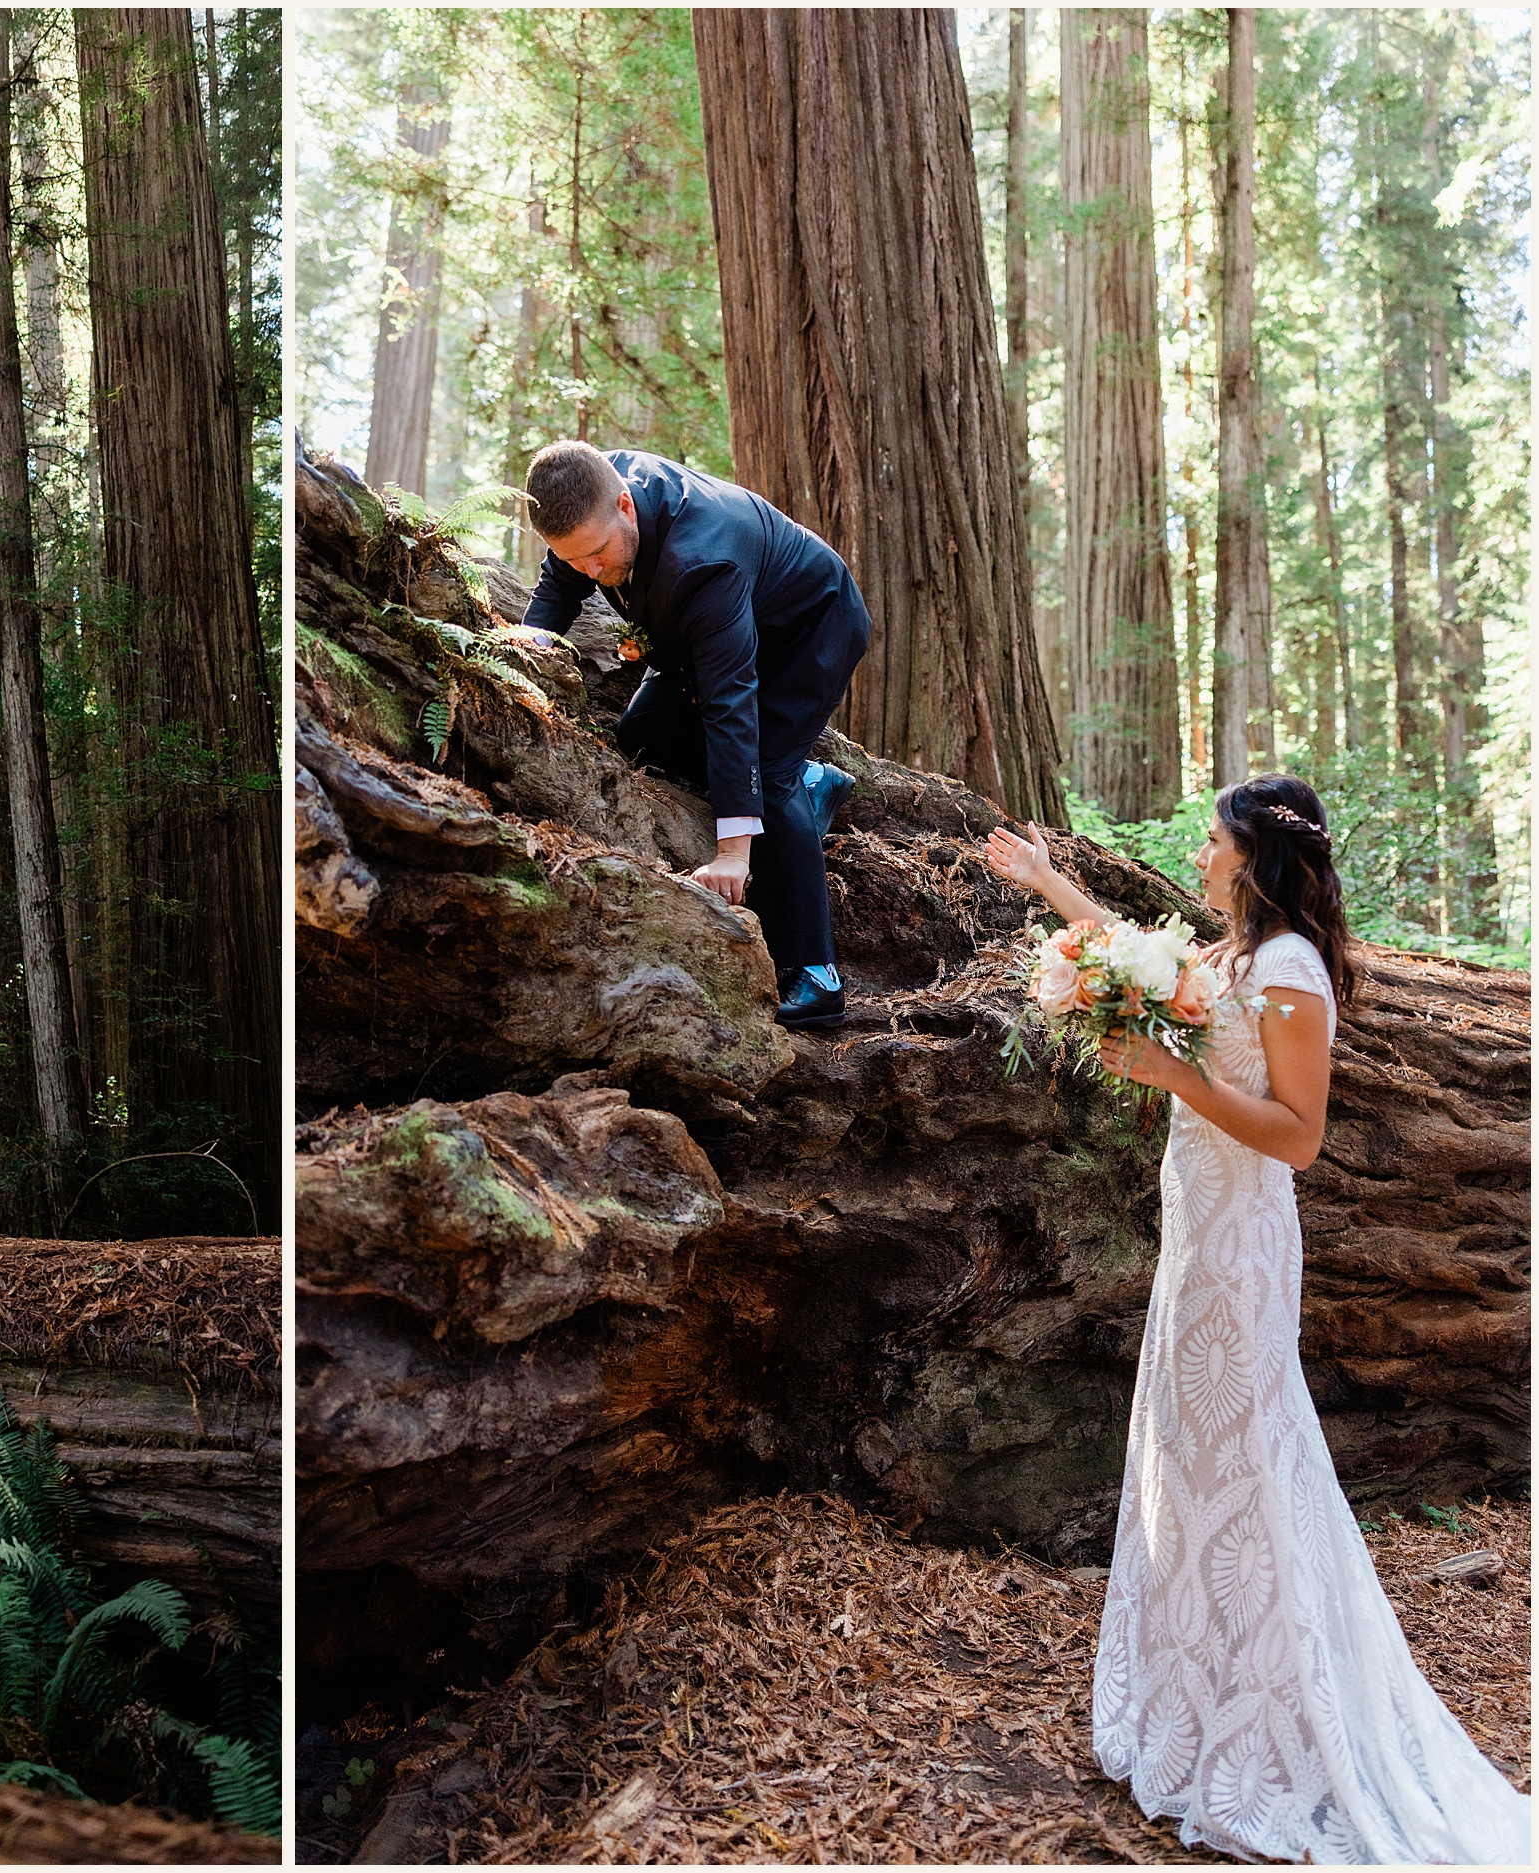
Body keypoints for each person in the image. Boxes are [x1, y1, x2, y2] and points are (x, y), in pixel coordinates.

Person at [985, 774, 1530, 1864]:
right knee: (1194, 1461)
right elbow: (1152, 968)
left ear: (1252, 854)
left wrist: (1175, 1077)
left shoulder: (1287, 972)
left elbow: (1296, 1136)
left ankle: (1276, 1714)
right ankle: (1205, 1682)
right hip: (1196, 1233)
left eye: (1211, 836)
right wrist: (1052, 886)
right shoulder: (1239, 958)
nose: (1197, 851)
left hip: (1240, 1245)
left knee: (1243, 1456)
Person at [520, 441, 870, 1028]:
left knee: (766, 763)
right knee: (643, 735)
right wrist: (519, 656)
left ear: (626, 508)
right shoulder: (584, 493)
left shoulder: (703, 557)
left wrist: (734, 852)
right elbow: (557, 590)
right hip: (717, 632)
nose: (592, 572)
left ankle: (817, 973)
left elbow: (732, 703)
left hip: (809, 630)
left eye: (599, 555)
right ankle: (812, 789)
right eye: (574, 558)